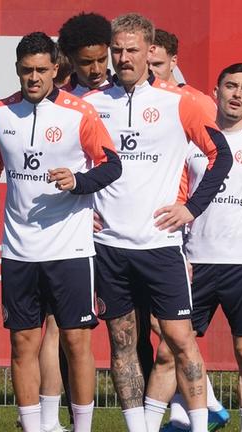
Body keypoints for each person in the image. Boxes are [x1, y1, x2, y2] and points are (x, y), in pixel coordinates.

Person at [0, 32, 121, 432]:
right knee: (23, 345)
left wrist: (78, 181)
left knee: (76, 343)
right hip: (19, 251)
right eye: (25, 71)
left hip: (70, 249)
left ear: (55, 69)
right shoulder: (0, 113)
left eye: (40, 70)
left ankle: (82, 428)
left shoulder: (79, 112)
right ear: (17, 70)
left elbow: (111, 165)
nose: (33, 78)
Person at [82, 13, 232, 432]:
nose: (123, 57)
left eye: (132, 50)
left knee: (182, 342)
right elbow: (72, 166)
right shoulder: (91, 104)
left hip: (161, 245)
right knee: (122, 343)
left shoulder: (179, 101)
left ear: (151, 52)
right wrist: (82, 210)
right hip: (108, 245)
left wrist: (192, 208)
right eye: (117, 50)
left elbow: (223, 156)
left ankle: (200, 426)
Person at [157, 63, 242, 432]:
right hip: (196, 263)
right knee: (169, 350)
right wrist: (178, 252)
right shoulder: (191, 145)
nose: (236, 94)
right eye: (230, 86)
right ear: (215, 92)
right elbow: (178, 201)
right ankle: (189, 416)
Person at [148, 29, 230, 432]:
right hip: (138, 227)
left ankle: (195, 410)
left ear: (173, 61)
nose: (152, 72)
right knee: (160, 328)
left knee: (172, 331)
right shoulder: (132, 99)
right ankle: (203, 404)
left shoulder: (194, 103)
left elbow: (215, 160)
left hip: (177, 230)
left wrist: (191, 211)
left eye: (158, 64)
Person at [57, 12, 113, 96]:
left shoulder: (125, 93)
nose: (96, 70)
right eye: (87, 62)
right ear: (70, 60)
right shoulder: (58, 99)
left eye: (102, 60)